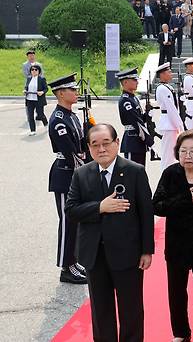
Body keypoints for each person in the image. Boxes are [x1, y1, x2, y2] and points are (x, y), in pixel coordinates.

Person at [65, 123, 154, 342]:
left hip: (128, 253)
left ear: (117, 143)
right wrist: (99, 207)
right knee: (101, 309)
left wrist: (146, 250)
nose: (101, 149)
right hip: (94, 255)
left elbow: (146, 213)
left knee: (131, 309)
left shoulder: (135, 171)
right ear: (88, 148)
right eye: (95, 145)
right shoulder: (81, 173)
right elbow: (71, 210)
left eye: (106, 143)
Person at [153, 130, 193, 342]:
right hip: (177, 245)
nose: (187, 155)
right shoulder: (171, 174)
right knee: (177, 294)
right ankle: (180, 332)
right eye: (183, 151)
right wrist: (186, 199)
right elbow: (157, 206)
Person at [47, 73, 87, 284]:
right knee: (67, 221)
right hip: (65, 174)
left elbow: (81, 144)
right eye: (72, 89)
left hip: (74, 173)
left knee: (75, 222)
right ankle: (65, 267)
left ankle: (73, 261)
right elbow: (71, 154)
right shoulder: (59, 120)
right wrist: (87, 173)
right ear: (61, 93)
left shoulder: (71, 115)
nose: (76, 92)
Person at [117, 68, 153, 166]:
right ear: (125, 82)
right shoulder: (126, 100)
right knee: (131, 175)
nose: (137, 82)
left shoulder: (133, 98)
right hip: (132, 140)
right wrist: (149, 140)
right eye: (134, 80)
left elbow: (140, 118)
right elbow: (136, 122)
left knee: (140, 172)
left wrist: (147, 113)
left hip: (138, 140)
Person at [156, 63, 186, 170]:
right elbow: (171, 109)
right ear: (162, 74)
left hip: (170, 123)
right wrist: (179, 125)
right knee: (168, 155)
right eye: (168, 72)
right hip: (169, 123)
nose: (171, 74)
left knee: (171, 154)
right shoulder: (163, 89)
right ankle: (165, 178)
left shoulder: (166, 87)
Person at [23, 64, 48, 135]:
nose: (34, 71)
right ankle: (33, 131)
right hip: (29, 100)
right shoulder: (28, 78)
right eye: (32, 70)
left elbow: (46, 88)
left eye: (35, 70)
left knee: (40, 114)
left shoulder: (42, 79)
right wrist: (25, 90)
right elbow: (26, 87)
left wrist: (42, 92)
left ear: (38, 71)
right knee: (30, 115)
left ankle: (46, 124)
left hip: (38, 100)